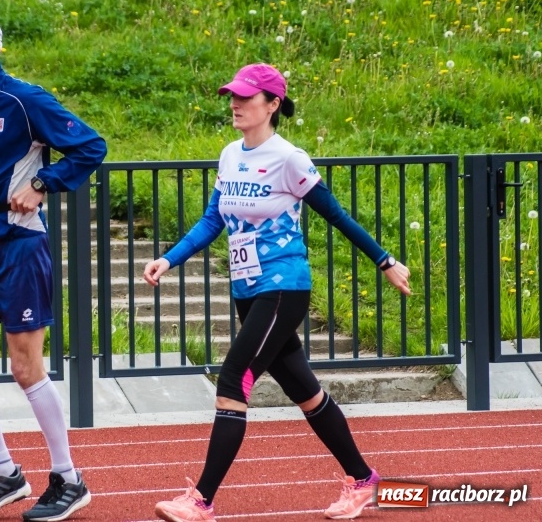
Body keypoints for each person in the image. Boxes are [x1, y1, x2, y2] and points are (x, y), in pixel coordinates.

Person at [143, 63, 411, 521]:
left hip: (283, 286)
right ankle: (364, 480)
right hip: (247, 288)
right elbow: (214, 220)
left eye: (246, 98)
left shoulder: (289, 158)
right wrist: (170, 258)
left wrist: (385, 260)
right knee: (304, 391)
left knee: (232, 381)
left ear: (272, 105)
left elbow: (336, 214)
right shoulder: (230, 154)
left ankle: (202, 501)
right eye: (232, 95)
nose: (235, 104)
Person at [0, 11, 107, 522]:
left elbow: (90, 147)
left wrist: (42, 184)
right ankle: (5, 472)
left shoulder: (24, 100)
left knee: (25, 366)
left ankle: (69, 479)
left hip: (19, 245)